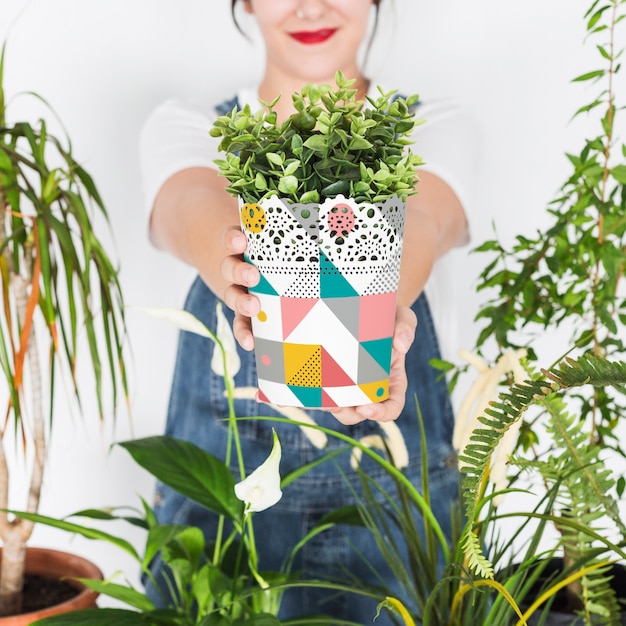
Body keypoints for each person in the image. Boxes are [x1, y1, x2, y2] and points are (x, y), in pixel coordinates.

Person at [140, 0, 477, 622]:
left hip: (394, 512)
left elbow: (424, 219)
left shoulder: (431, 126)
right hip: (224, 502)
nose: (311, 5)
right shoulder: (190, 126)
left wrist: (381, 319)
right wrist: (239, 272)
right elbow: (189, 204)